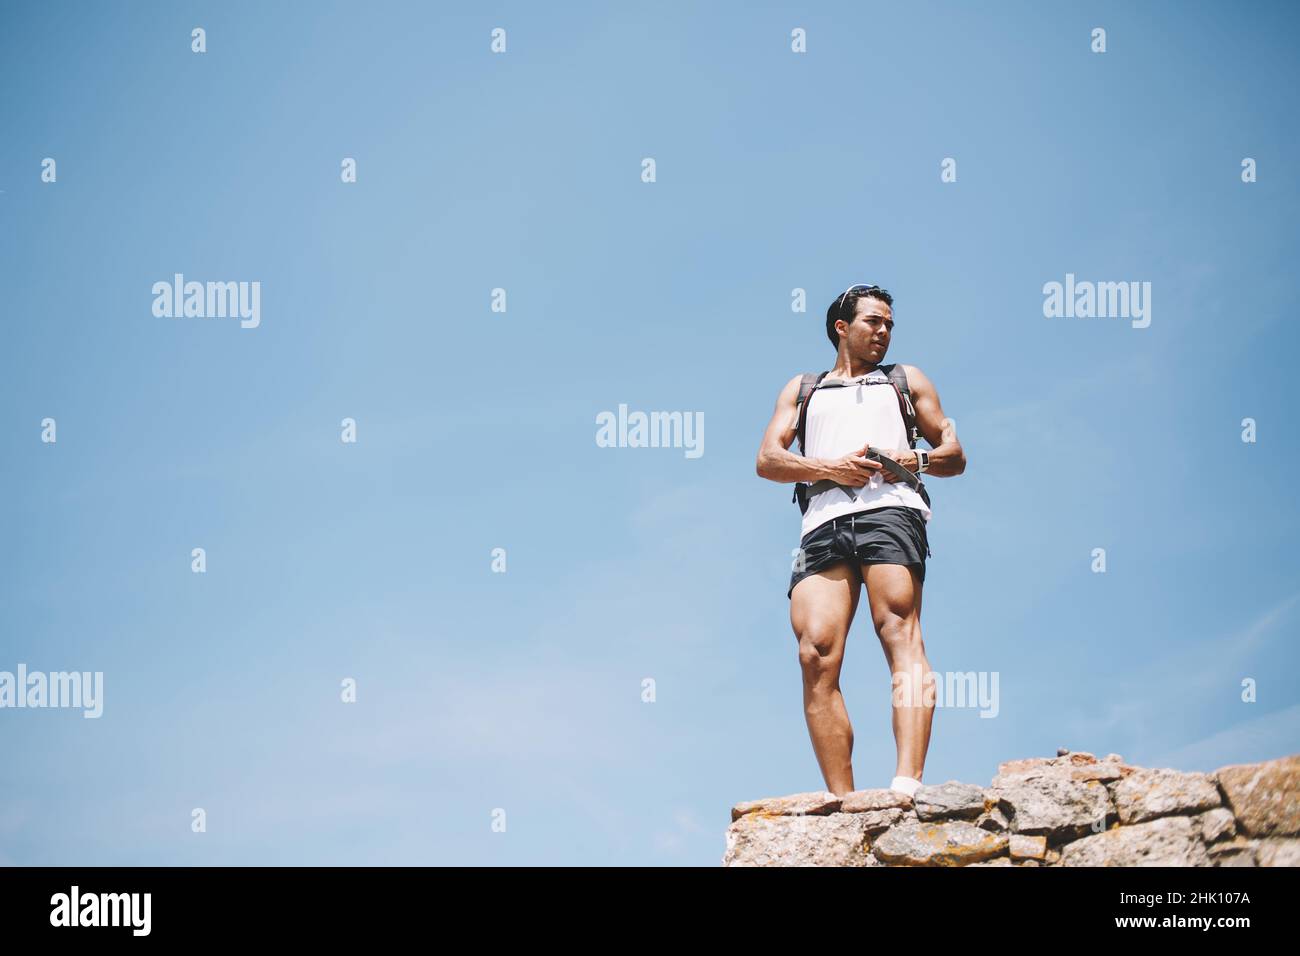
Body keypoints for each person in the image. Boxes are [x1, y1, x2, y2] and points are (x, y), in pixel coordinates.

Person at [755, 284, 966, 798]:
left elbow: (954, 453)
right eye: (874, 321)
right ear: (841, 327)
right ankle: (842, 803)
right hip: (821, 521)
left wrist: (910, 459)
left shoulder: (905, 380)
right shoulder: (803, 388)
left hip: (891, 509)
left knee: (896, 626)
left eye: (890, 323)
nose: (884, 331)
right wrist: (832, 467)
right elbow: (768, 460)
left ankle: (906, 786)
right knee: (815, 652)